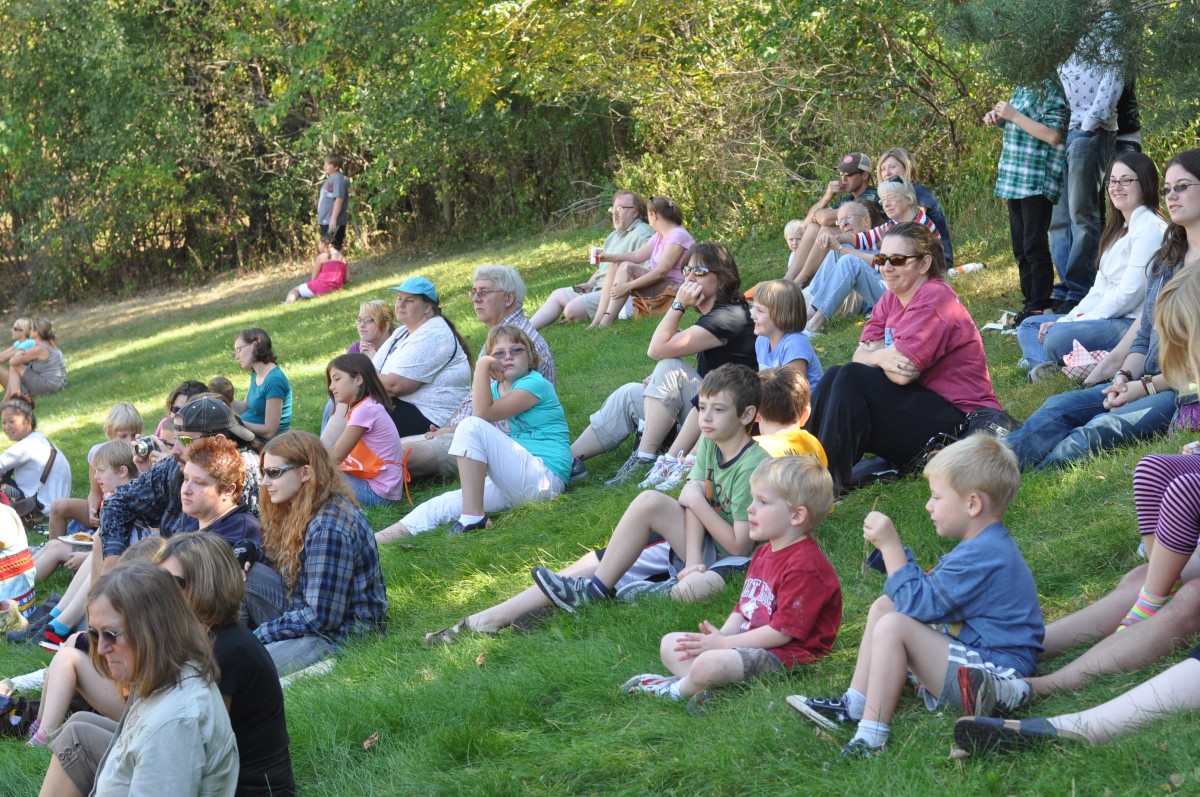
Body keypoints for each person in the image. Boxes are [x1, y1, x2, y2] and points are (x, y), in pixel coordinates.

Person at [422, 365, 768, 642]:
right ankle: (485, 619)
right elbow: (691, 506)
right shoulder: (711, 441)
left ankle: (621, 593)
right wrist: (692, 558)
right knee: (627, 527)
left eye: (717, 410)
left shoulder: (751, 464)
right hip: (694, 546)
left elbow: (739, 544)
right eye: (702, 408)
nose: (705, 418)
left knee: (691, 590)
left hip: (732, 557)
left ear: (746, 414)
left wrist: (696, 504)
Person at [789, 435, 1043, 758]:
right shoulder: (982, 547)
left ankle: (871, 737)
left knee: (894, 625)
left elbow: (917, 606)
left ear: (973, 504)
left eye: (937, 497)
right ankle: (855, 703)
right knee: (885, 606)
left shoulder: (983, 555)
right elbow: (926, 596)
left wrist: (892, 547)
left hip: (992, 676)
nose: (928, 505)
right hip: (978, 655)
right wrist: (892, 559)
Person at [1003, 149, 1200, 470]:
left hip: (1180, 391)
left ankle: (1018, 477)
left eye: (1183, 186)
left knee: (1096, 431)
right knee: (1058, 407)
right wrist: (1123, 377)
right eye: (1167, 188)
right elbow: (1143, 336)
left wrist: (1145, 387)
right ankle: (992, 463)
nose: (1172, 196)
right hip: (1143, 378)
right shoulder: (1168, 258)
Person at [620, 456, 841, 706]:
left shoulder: (805, 567)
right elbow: (744, 607)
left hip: (788, 656)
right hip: (747, 645)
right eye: (752, 498)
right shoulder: (764, 552)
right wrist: (720, 636)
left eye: (763, 502)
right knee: (671, 644)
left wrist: (724, 645)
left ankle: (674, 690)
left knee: (707, 663)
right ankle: (708, 687)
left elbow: (781, 634)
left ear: (796, 516)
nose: (750, 508)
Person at [807, 222, 1001, 494]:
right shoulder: (891, 298)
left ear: (924, 264)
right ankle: (802, 468)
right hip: (922, 406)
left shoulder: (934, 298)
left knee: (852, 377)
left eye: (897, 259)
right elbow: (860, 354)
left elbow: (902, 373)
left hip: (961, 421)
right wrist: (886, 356)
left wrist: (877, 356)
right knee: (835, 375)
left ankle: (823, 488)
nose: (886, 267)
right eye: (882, 258)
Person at [38, 561, 238, 797]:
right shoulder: (164, 674)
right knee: (78, 728)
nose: (100, 649)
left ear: (153, 630)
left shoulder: (174, 724)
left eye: (111, 635)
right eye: (94, 634)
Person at [570, 242, 756, 486]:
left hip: (722, 412)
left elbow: (656, 349)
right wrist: (659, 377)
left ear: (721, 278)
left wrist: (678, 304)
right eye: (686, 270)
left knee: (668, 366)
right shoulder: (719, 314)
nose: (690, 277)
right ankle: (568, 461)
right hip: (702, 406)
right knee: (629, 393)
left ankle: (644, 458)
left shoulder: (728, 317)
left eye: (699, 272)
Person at [376, 325, 569, 537]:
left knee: (472, 426)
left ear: (530, 355)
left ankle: (473, 518)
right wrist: (447, 430)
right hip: (514, 479)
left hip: (544, 478)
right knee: (439, 505)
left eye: (517, 350)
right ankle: (378, 541)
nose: (508, 357)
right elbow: (481, 423)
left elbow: (481, 417)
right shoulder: (494, 390)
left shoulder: (534, 383)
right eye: (499, 353)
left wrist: (482, 365)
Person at [157, 533, 296, 796]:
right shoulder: (200, 636)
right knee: (82, 728)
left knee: (85, 743)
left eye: (173, 583)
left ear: (206, 584)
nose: (161, 593)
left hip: (243, 789)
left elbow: (205, 745)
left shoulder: (226, 650)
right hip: (212, 776)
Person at [242, 431, 388, 675]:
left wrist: (260, 635)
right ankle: (227, 645)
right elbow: (280, 560)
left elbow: (321, 618)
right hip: (307, 608)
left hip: (340, 634)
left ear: (305, 473)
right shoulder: (299, 507)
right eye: (264, 472)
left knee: (249, 671)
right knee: (244, 575)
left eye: (274, 473)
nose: (265, 482)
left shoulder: (328, 527)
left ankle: (238, 651)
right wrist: (249, 552)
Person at [1015, 151, 1165, 380]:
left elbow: (1129, 295)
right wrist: (1068, 319)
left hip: (1130, 324)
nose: (1117, 187)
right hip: (1105, 316)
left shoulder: (1150, 229)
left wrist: (1079, 321)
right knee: (1029, 326)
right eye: (1112, 181)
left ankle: (1054, 362)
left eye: (1126, 180)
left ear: (1145, 183)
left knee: (1055, 338)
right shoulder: (1119, 230)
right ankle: (1059, 366)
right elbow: (1097, 291)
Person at [401, 265, 555, 479]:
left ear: (509, 298)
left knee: (400, 455)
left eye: (484, 292)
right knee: (390, 450)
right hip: (473, 430)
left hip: (500, 440)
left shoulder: (519, 347)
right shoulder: (501, 338)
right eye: (474, 292)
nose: (475, 299)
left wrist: (452, 430)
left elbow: (497, 417)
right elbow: (474, 399)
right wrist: (445, 427)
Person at [98, 395, 261, 570]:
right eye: (175, 439)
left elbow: (214, 557)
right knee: (105, 540)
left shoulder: (245, 473)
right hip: (176, 555)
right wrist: (112, 560)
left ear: (218, 441)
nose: (174, 450)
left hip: (199, 570)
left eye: (184, 441)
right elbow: (117, 502)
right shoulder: (177, 464)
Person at [804, 179, 941, 334]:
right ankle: (810, 309)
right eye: (883, 200)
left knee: (851, 261)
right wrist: (835, 239)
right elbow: (862, 238)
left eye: (891, 198)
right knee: (839, 252)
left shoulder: (918, 227)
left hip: (911, 295)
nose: (885, 204)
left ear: (908, 200)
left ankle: (814, 325)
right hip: (896, 284)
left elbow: (890, 264)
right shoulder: (895, 223)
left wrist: (843, 250)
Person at [985, 79, 1069, 324]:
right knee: (1020, 246)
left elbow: (1053, 135)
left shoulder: (1052, 89)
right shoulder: (1022, 86)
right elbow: (1017, 124)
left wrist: (1014, 114)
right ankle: (1030, 302)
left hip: (1036, 179)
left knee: (1034, 243)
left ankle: (1041, 304)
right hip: (1014, 179)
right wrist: (1000, 118)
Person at [1049, 41, 1123, 311]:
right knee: (1058, 218)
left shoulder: (1107, 23)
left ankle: (1082, 288)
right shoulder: (1063, 27)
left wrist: (1091, 123)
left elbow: (1114, 76)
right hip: (1063, 132)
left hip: (1090, 129)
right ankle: (1068, 285)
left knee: (1083, 213)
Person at [531, 191, 655, 328]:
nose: (615, 214)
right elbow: (605, 268)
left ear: (635, 212)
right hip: (597, 289)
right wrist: (590, 284)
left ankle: (584, 316)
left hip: (616, 294)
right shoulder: (613, 236)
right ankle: (526, 329)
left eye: (620, 209)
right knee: (557, 294)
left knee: (571, 310)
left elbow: (647, 271)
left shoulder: (643, 234)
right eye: (613, 208)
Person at [371, 276, 472, 436]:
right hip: (405, 407)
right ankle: (329, 454)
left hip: (432, 418)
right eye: (399, 298)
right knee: (345, 403)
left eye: (409, 300)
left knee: (362, 412)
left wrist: (363, 381)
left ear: (428, 307)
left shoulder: (434, 334)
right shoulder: (401, 332)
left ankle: (330, 455)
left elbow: (395, 386)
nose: (401, 304)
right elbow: (370, 369)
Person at [589, 196, 694, 328]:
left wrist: (628, 286)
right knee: (617, 264)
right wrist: (607, 257)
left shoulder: (678, 236)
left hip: (675, 291)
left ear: (654, 215)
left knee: (627, 268)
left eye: (648, 216)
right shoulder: (659, 235)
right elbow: (637, 255)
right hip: (663, 286)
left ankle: (605, 322)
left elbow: (661, 272)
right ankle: (597, 320)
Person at [47, 401, 143, 542]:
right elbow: (95, 492)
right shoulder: (97, 454)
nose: (129, 441)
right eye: (123, 436)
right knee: (59, 506)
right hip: (102, 509)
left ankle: (78, 552)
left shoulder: (140, 455)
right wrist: (92, 510)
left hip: (126, 517)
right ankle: (52, 547)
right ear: (109, 434)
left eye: (134, 435)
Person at [321, 353, 407, 507]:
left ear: (358, 379)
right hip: (379, 487)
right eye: (331, 381)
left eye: (337, 379)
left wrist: (304, 457)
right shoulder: (365, 406)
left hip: (378, 494)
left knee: (319, 475)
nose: (331, 387)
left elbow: (335, 457)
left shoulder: (364, 410)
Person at [788, 152, 884, 287]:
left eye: (849, 174)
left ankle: (800, 282)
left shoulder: (872, 195)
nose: (843, 179)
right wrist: (827, 197)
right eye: (841, 174)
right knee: (813, 227)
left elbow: (827, 219)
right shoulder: (847, 199)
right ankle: (788, 279)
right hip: (849, 245)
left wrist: (818, 215)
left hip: (867, 248)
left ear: (864, 175)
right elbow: (806, 224)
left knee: (830, 228)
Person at [876, 147, 954, 265]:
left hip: (934, 261)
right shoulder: (890, 197)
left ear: (906, 167)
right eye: (883, 169)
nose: (887, 173)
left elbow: (912, 229)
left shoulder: (918, 191)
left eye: (892, 167)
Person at [180, 436, 262, 545]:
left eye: (198, 482)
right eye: (186, 479)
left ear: (228, 490)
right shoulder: (196, 518)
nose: (186, 490)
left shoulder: (239, 534)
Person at [0, 394, 72, 516]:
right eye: (3, 422)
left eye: (11, 421)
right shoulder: (40, 439)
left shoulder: (26, 446)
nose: (7, 427)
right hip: (55, 506)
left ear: (27, 421)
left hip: (38, 507)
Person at [750, 279, 823, 391]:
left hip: (806, 406)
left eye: (760, 310)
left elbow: (794, 393)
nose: (753, 315)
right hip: (776, 402)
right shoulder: (761, 341)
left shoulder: (794, 344)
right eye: (754, 308)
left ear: (780, 314)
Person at [231, 328, 293, 441]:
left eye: (239, 350)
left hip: (271, 445)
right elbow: (246, 408)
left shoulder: (274, 380)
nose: (237, 357)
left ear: (254, 345)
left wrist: (235, 424)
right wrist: (226, 398)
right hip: (254, 438)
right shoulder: (257, 373)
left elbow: (270, 431)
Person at [0, 317, 67, 399]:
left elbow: (12, 362)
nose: (29, 331)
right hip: (57, 384)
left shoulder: (38, 348)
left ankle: (16, 399)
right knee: (16, 367)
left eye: (31, 329)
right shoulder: (48, 343)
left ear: (37, 331)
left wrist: (17, 356)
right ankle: (11, 399)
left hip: (49, 386)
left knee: (15, 367)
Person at [284, 234, 348, 303]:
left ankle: (287, 303)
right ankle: (300, 300)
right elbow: (347, 278)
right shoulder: (343, 258)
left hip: (320, 287)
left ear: (323, 244)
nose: (318, 246)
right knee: (303, 296)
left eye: (319, 243)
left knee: (295, 290)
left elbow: (313, 278)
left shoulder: (322, 257)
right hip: (336, 288)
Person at [317, 153, 348, 248]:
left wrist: (333, 219)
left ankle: (339, 263)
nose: (325, 166)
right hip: (325, 221)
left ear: (336, 167)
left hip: (333, 222)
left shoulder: (338, 178)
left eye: (329, 164)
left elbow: (339, 199)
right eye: (325, 163)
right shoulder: (330, 179)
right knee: (326, 249)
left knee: (329, 248)